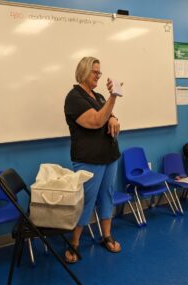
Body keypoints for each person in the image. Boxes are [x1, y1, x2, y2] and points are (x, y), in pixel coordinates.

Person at [64, 56, 122, 263]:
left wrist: (114, 117)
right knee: (85, 201)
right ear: (84, 72)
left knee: (107, 196)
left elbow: (108, 116)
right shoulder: (74, 97)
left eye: (100, 72)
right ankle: (75, 242)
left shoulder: (96, 96)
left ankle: (106, 235)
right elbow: (97, 121)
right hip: (89, 160)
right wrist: (113, 96)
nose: (98, 75)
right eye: (95, 72)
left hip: (110, 156)